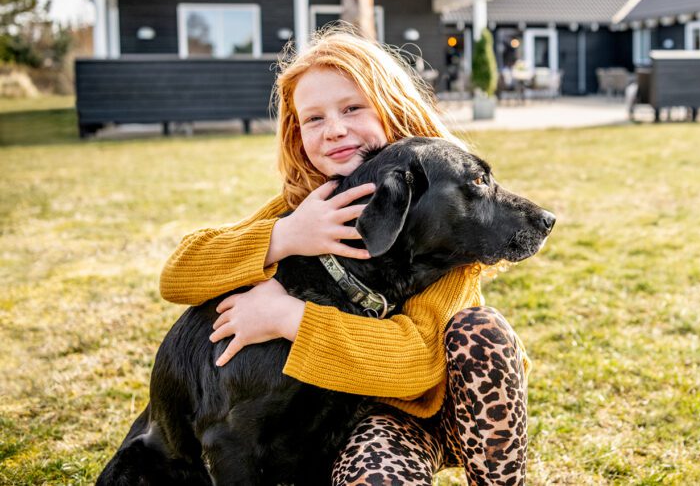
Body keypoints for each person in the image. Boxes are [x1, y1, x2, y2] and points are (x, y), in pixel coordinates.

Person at [160, 26, 529, 485]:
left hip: (424, 415)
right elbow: (178, 275)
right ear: (297, 133)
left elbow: (415, 363)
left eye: (352, 108)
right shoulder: (310, 207)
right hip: (352, 424)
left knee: (482, 332)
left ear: (391, 109)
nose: (334, 130)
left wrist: (287, 317)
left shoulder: (447, 219)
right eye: (313, 119)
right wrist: (285, 236)